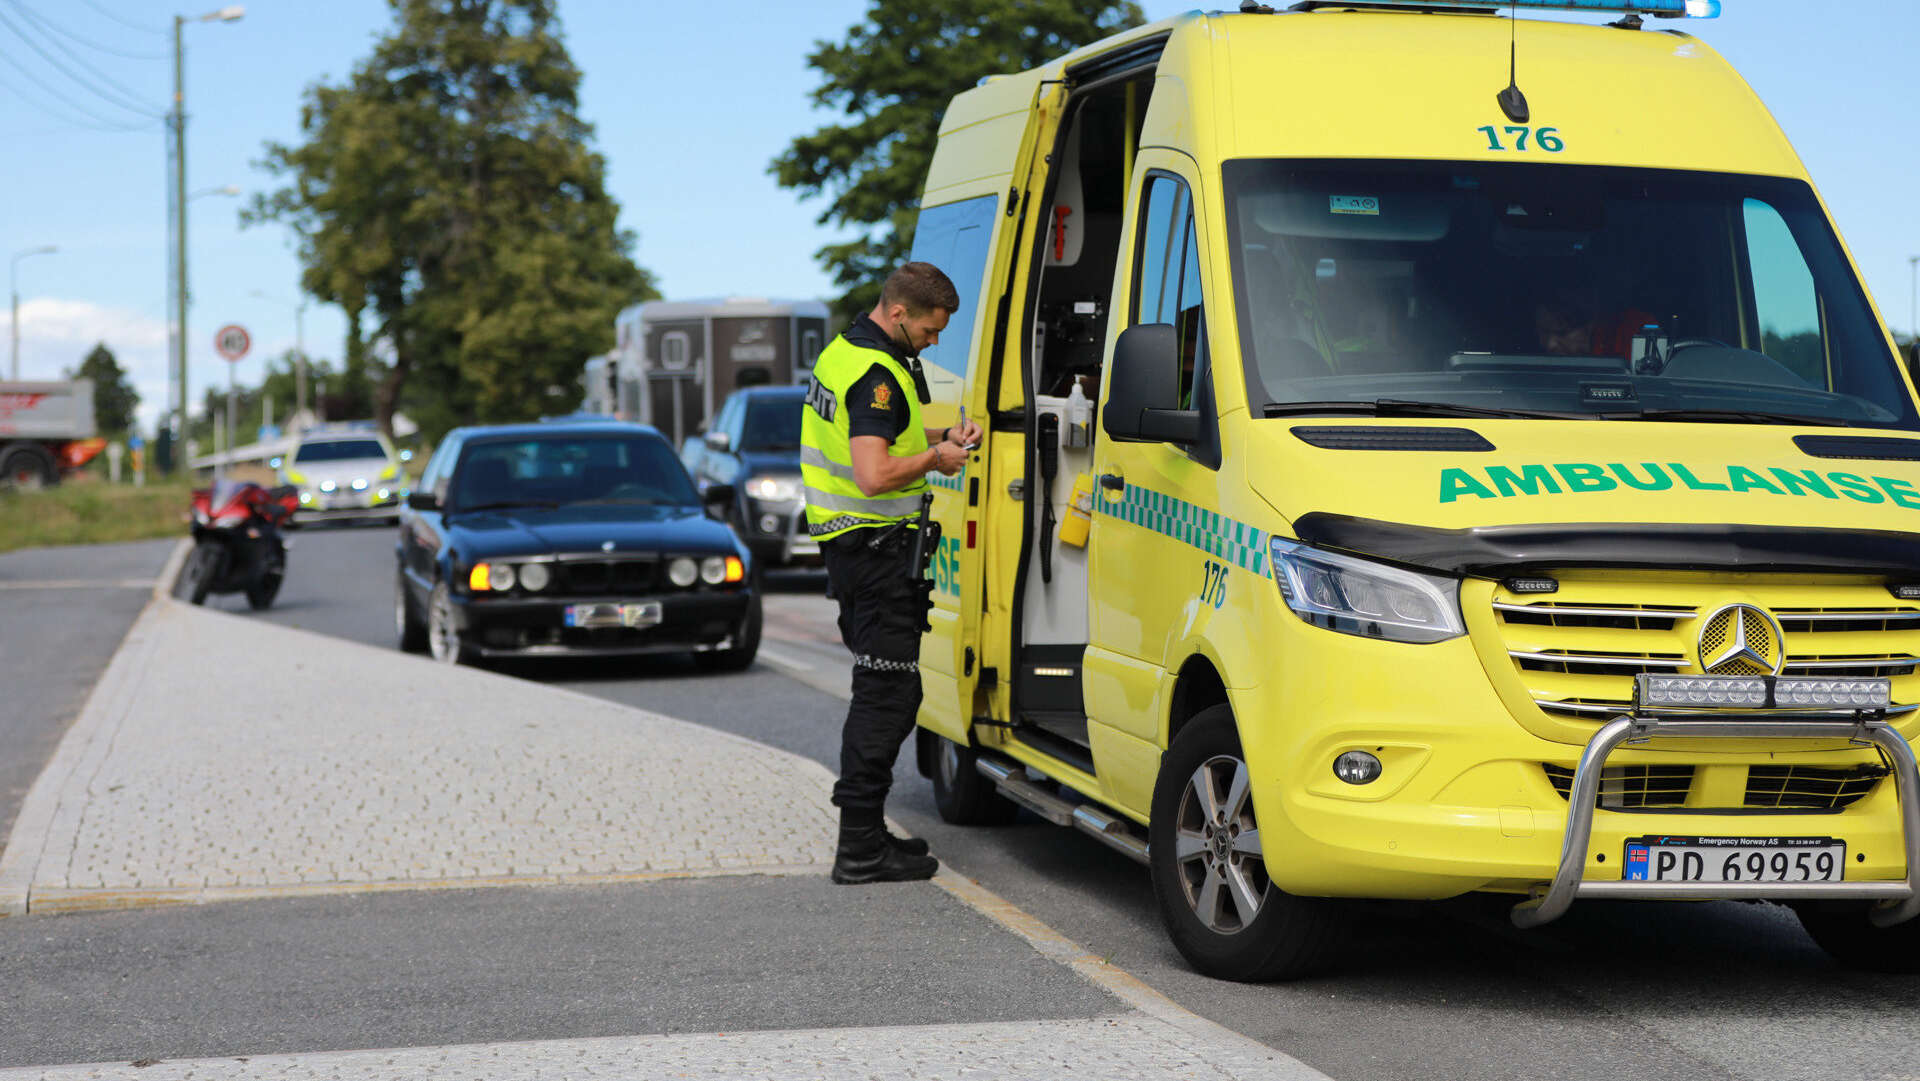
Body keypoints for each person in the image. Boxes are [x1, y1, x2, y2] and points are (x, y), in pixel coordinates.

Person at [799, 261, 982, 884]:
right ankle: (859, 848)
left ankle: (868, 833)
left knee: (891, 691)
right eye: (929, 331)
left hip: (854, 551)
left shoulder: (844, 353)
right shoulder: (877, 375)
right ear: (899, 313)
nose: (933, 342)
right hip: (874, 553)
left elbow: (877, 433)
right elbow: (873, 473)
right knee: (886, 695)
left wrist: (940, 432)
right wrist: (937, 457)